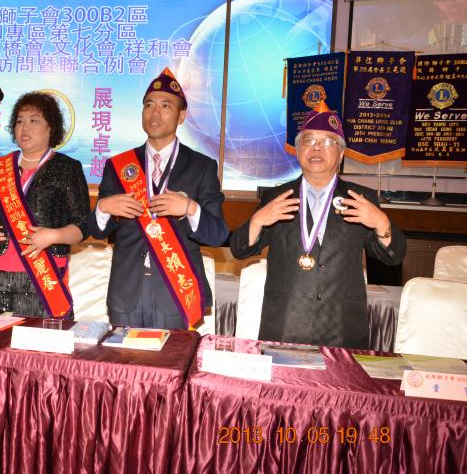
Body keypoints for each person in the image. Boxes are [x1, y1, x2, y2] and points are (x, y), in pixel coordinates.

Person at [230, 105, 406, 349]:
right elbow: (239, 250)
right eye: (309, 140)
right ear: (298, 150)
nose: (316, 147)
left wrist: (381, 223)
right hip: (285, 324)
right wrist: (257, 220)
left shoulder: (360, 198)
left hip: (342, 327)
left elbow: (394, 256)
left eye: (327, 142)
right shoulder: (277, 197)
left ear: (341, 154)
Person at [88, 68, 228, 330]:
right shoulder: (119, 165)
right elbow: (96, 230)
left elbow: (218, 234)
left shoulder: (202, 167)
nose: (155, 113)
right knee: (123, 356)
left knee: (172, 357)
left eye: (165, 106)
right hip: (126, 290)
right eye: (149, 105)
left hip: (176, 290)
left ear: (181, 115)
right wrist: (104, 208)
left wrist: (190, 208)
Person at [0, 92, 89, 318]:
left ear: (50, 127)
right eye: (19, 121)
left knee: (42, 340)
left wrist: (53, 236)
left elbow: (83, 226)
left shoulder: (67, 168)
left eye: (34, 120)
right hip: (0, 278)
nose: (25, 127)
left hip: (44, 277)